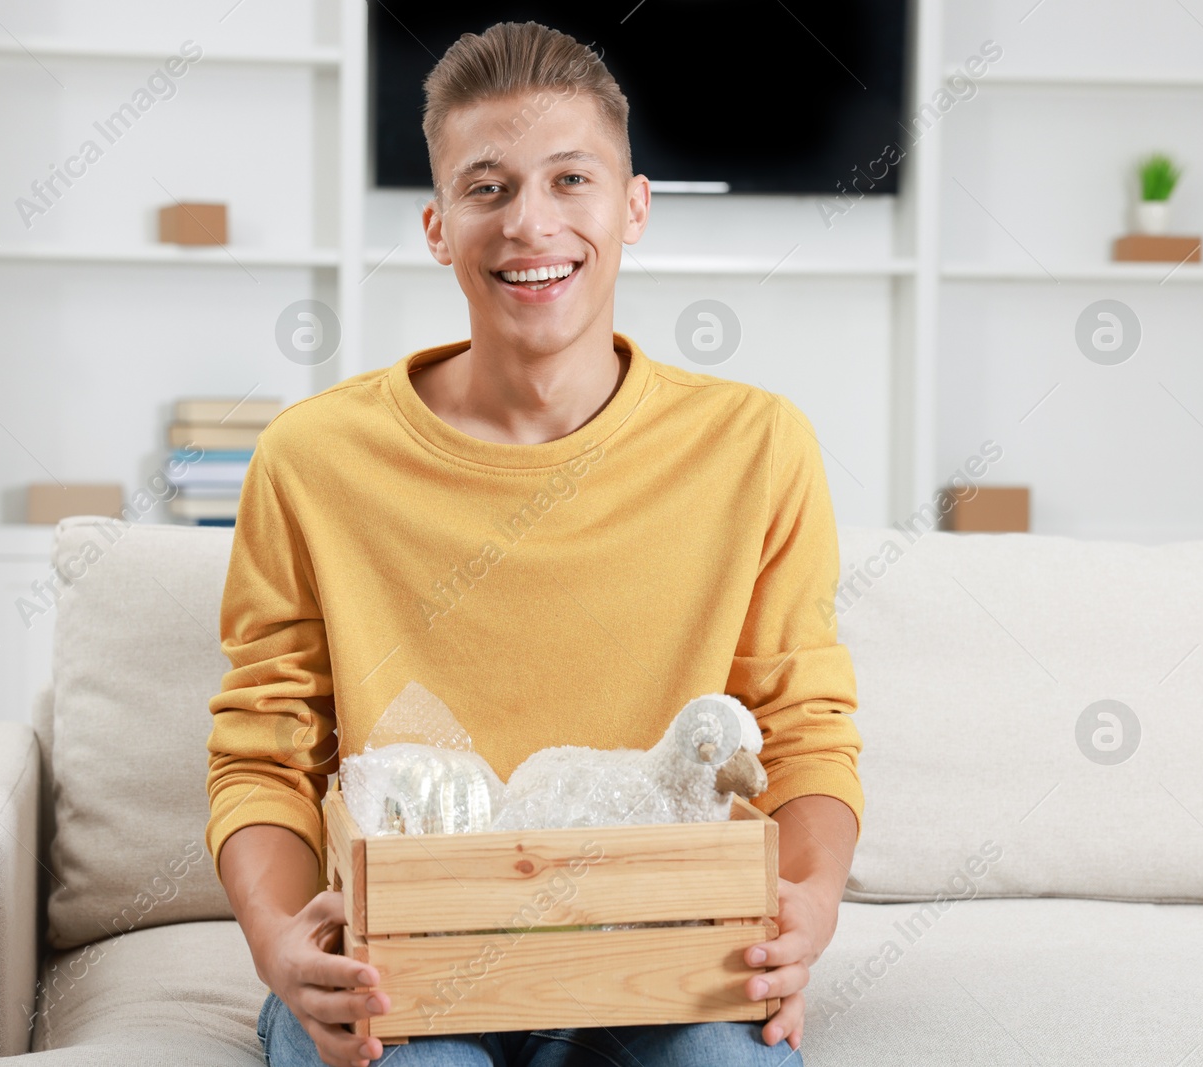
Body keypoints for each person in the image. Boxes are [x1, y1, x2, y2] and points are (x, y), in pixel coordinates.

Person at [206, 20, 863, 1067]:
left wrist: (810, 905)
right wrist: (282, 942)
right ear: (435, 226)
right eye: (488, 187)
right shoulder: (312, 456)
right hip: (403, 965)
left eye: (570, 179)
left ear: (632, 206)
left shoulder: (757, 445)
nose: (531, 223)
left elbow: (801, 725)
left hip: (660, 956)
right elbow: (262, 748)